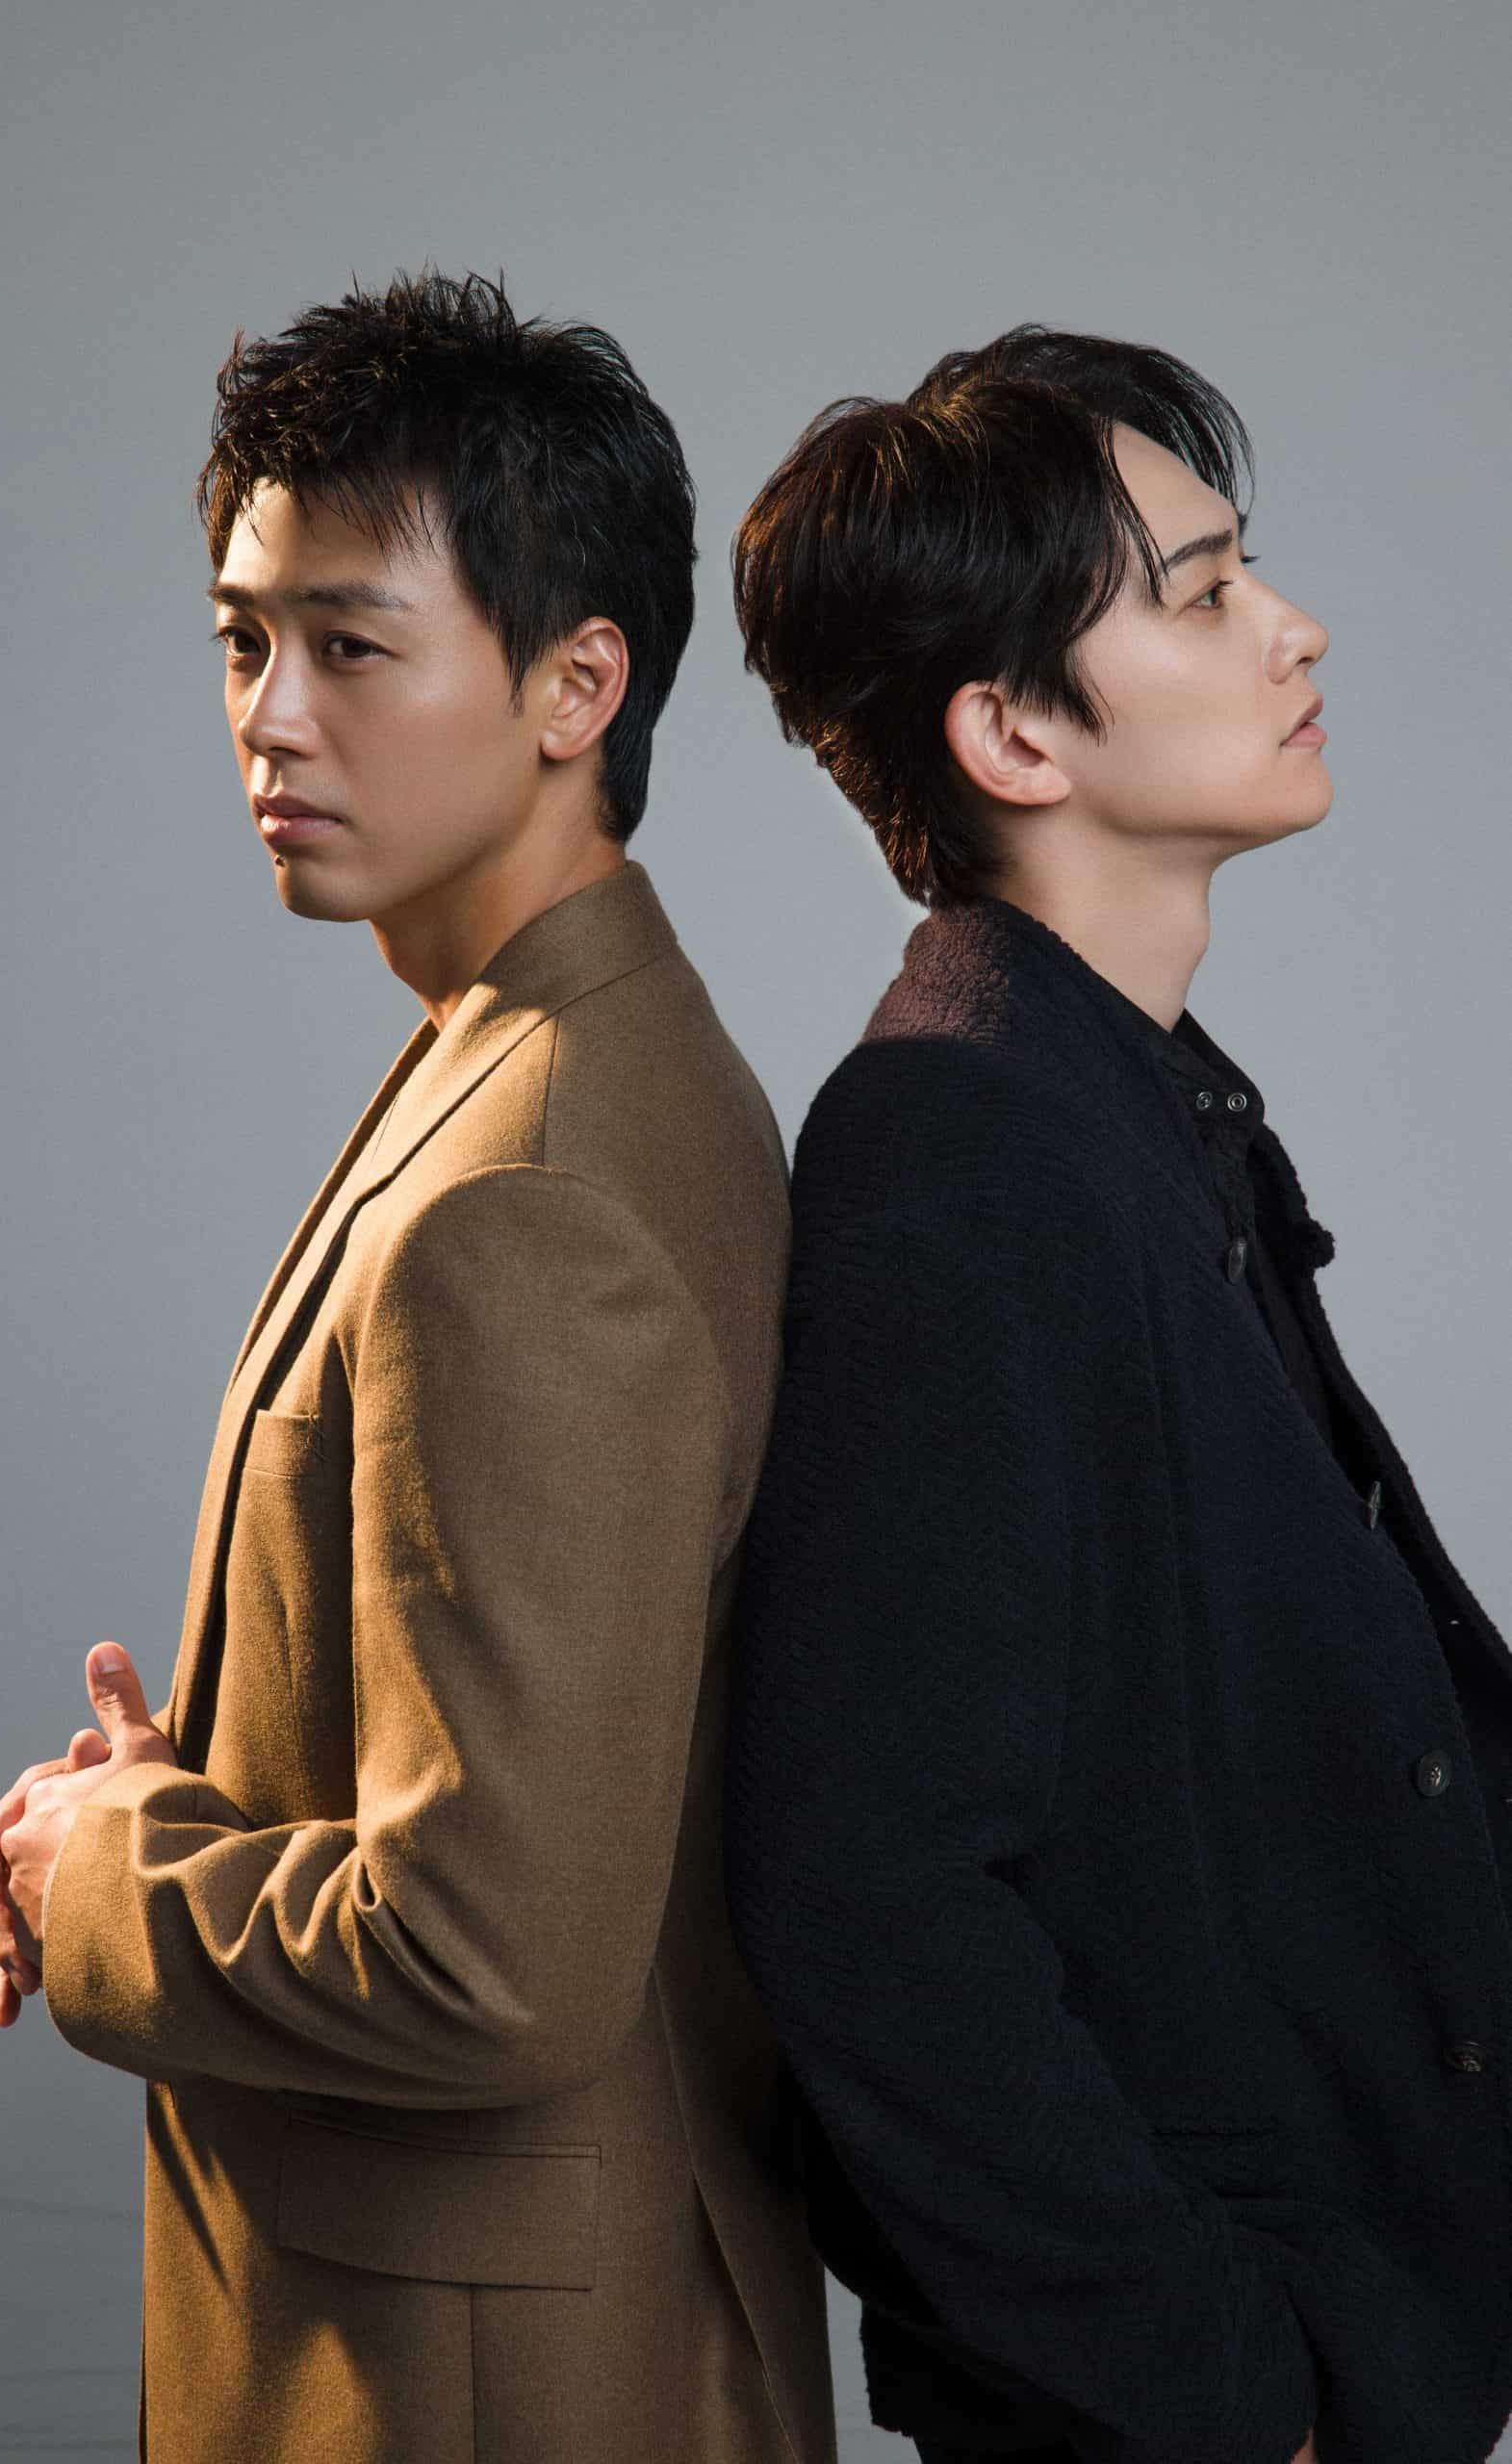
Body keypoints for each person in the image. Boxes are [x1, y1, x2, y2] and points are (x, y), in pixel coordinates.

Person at [0, 266, 835, 2464]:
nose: (270, 717)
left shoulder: (527, 1181)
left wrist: (111, 1880)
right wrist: (173, 1789)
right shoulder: (548, 1049)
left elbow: (488, 1959)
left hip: (483, 2380)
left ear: (575, 685)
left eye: (348, 647)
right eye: (240, 641)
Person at [721, 323, 1512, 2464]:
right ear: (1008, 731)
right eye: (1203, 590)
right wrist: (1234, 2398)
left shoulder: (1128, 1101)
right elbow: (870, 1893)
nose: (1292, 627)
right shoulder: (956, 1144)